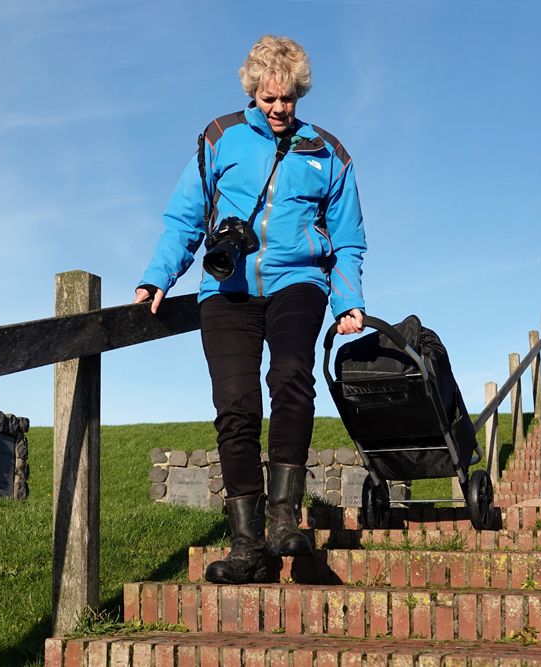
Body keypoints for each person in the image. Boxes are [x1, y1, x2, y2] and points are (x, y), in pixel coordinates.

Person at [133, 35, 367, 584]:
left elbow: (348, 239)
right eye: (269, 99)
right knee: (235, 407)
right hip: (228, 289)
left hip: (298, 281)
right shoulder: (221, 138)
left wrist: (348, 302)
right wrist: (156, 277)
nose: (280, 109)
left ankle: (285, 519)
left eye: (288, 98)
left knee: (290, 376)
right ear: (252, 93)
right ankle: (247, 545)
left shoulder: (327, 151)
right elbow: (185, 218)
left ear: (299, 93)